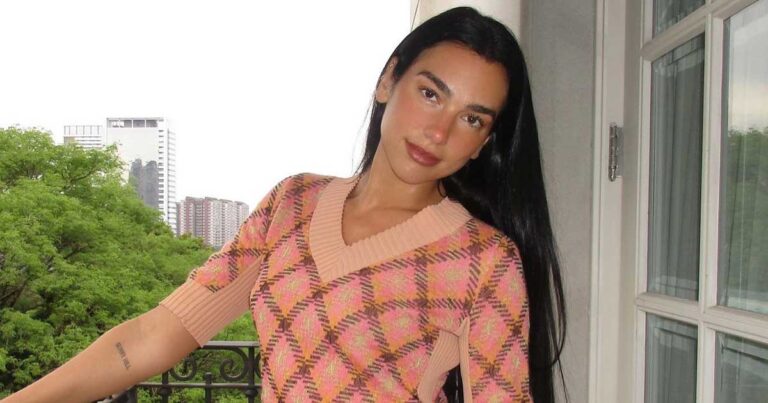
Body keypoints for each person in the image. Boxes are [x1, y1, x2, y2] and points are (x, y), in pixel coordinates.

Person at [3, 6, 565, 403]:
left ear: (483, 144)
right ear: (387, 81)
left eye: (472, 119)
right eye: (430, 93)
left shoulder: (484, 261)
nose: (439, 132)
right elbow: (155, 335)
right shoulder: (293, 204)